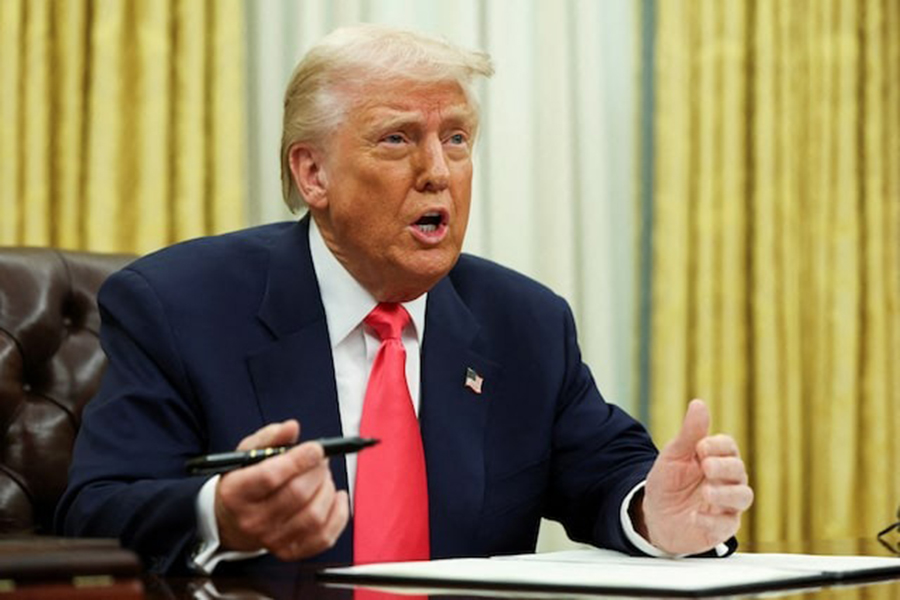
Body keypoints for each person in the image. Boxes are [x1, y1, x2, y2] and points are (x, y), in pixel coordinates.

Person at [56, 24, 753, 576]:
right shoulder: (179, 305)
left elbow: (609, 474)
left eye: (456, 139)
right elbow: (96, 510)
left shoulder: (525, 322)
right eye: (398, 139)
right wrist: (220, 514)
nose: (438, 173)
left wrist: (653, 515)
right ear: (313, 172)